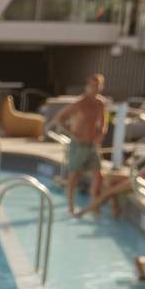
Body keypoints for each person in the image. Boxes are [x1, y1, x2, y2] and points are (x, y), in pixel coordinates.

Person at [85, 121, 145, 218]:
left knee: (109, 190)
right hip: (141, 175)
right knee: (108, 178)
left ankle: (86, 211)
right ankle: (113, 208)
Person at [55, 73, 107, 216]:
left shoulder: (100, 103)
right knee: (74, 176)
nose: (95, 88)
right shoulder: (80, 103)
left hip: (92, 146)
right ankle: (70, 206)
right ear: (87, 86)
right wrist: (71, 132)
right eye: (92, 85)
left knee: (98, 175)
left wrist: (100, 135)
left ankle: (93, 206)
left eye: (98, 85)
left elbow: (103, 123)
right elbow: (60, 118)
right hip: (78, 145)